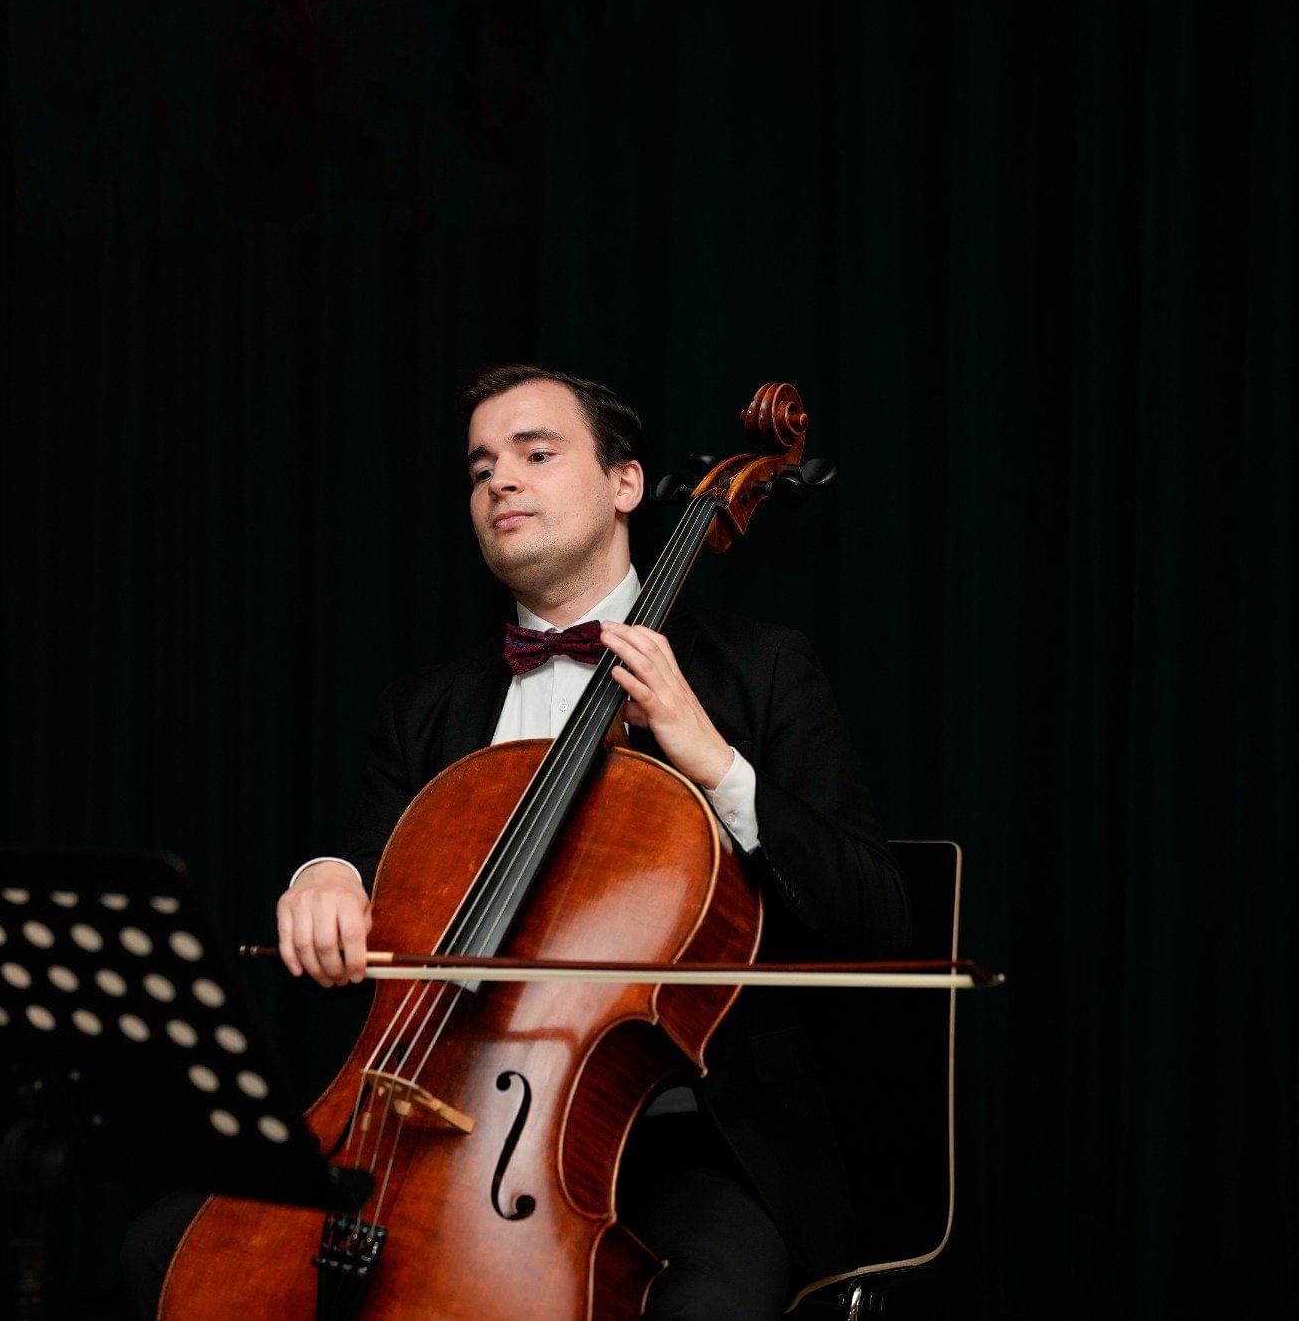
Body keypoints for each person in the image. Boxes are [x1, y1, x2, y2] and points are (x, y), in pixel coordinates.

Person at [124, 365, 910, 1320]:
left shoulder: (759, 668)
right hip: (423, 1113)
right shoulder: (426, 707)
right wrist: (324, 876)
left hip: (679, 1137)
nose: (499, 479)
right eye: (480, 466)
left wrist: (715, 764)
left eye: (537, 453)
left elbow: (874, 908)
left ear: (626, 484)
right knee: (171, 1247)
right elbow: (365, 864)